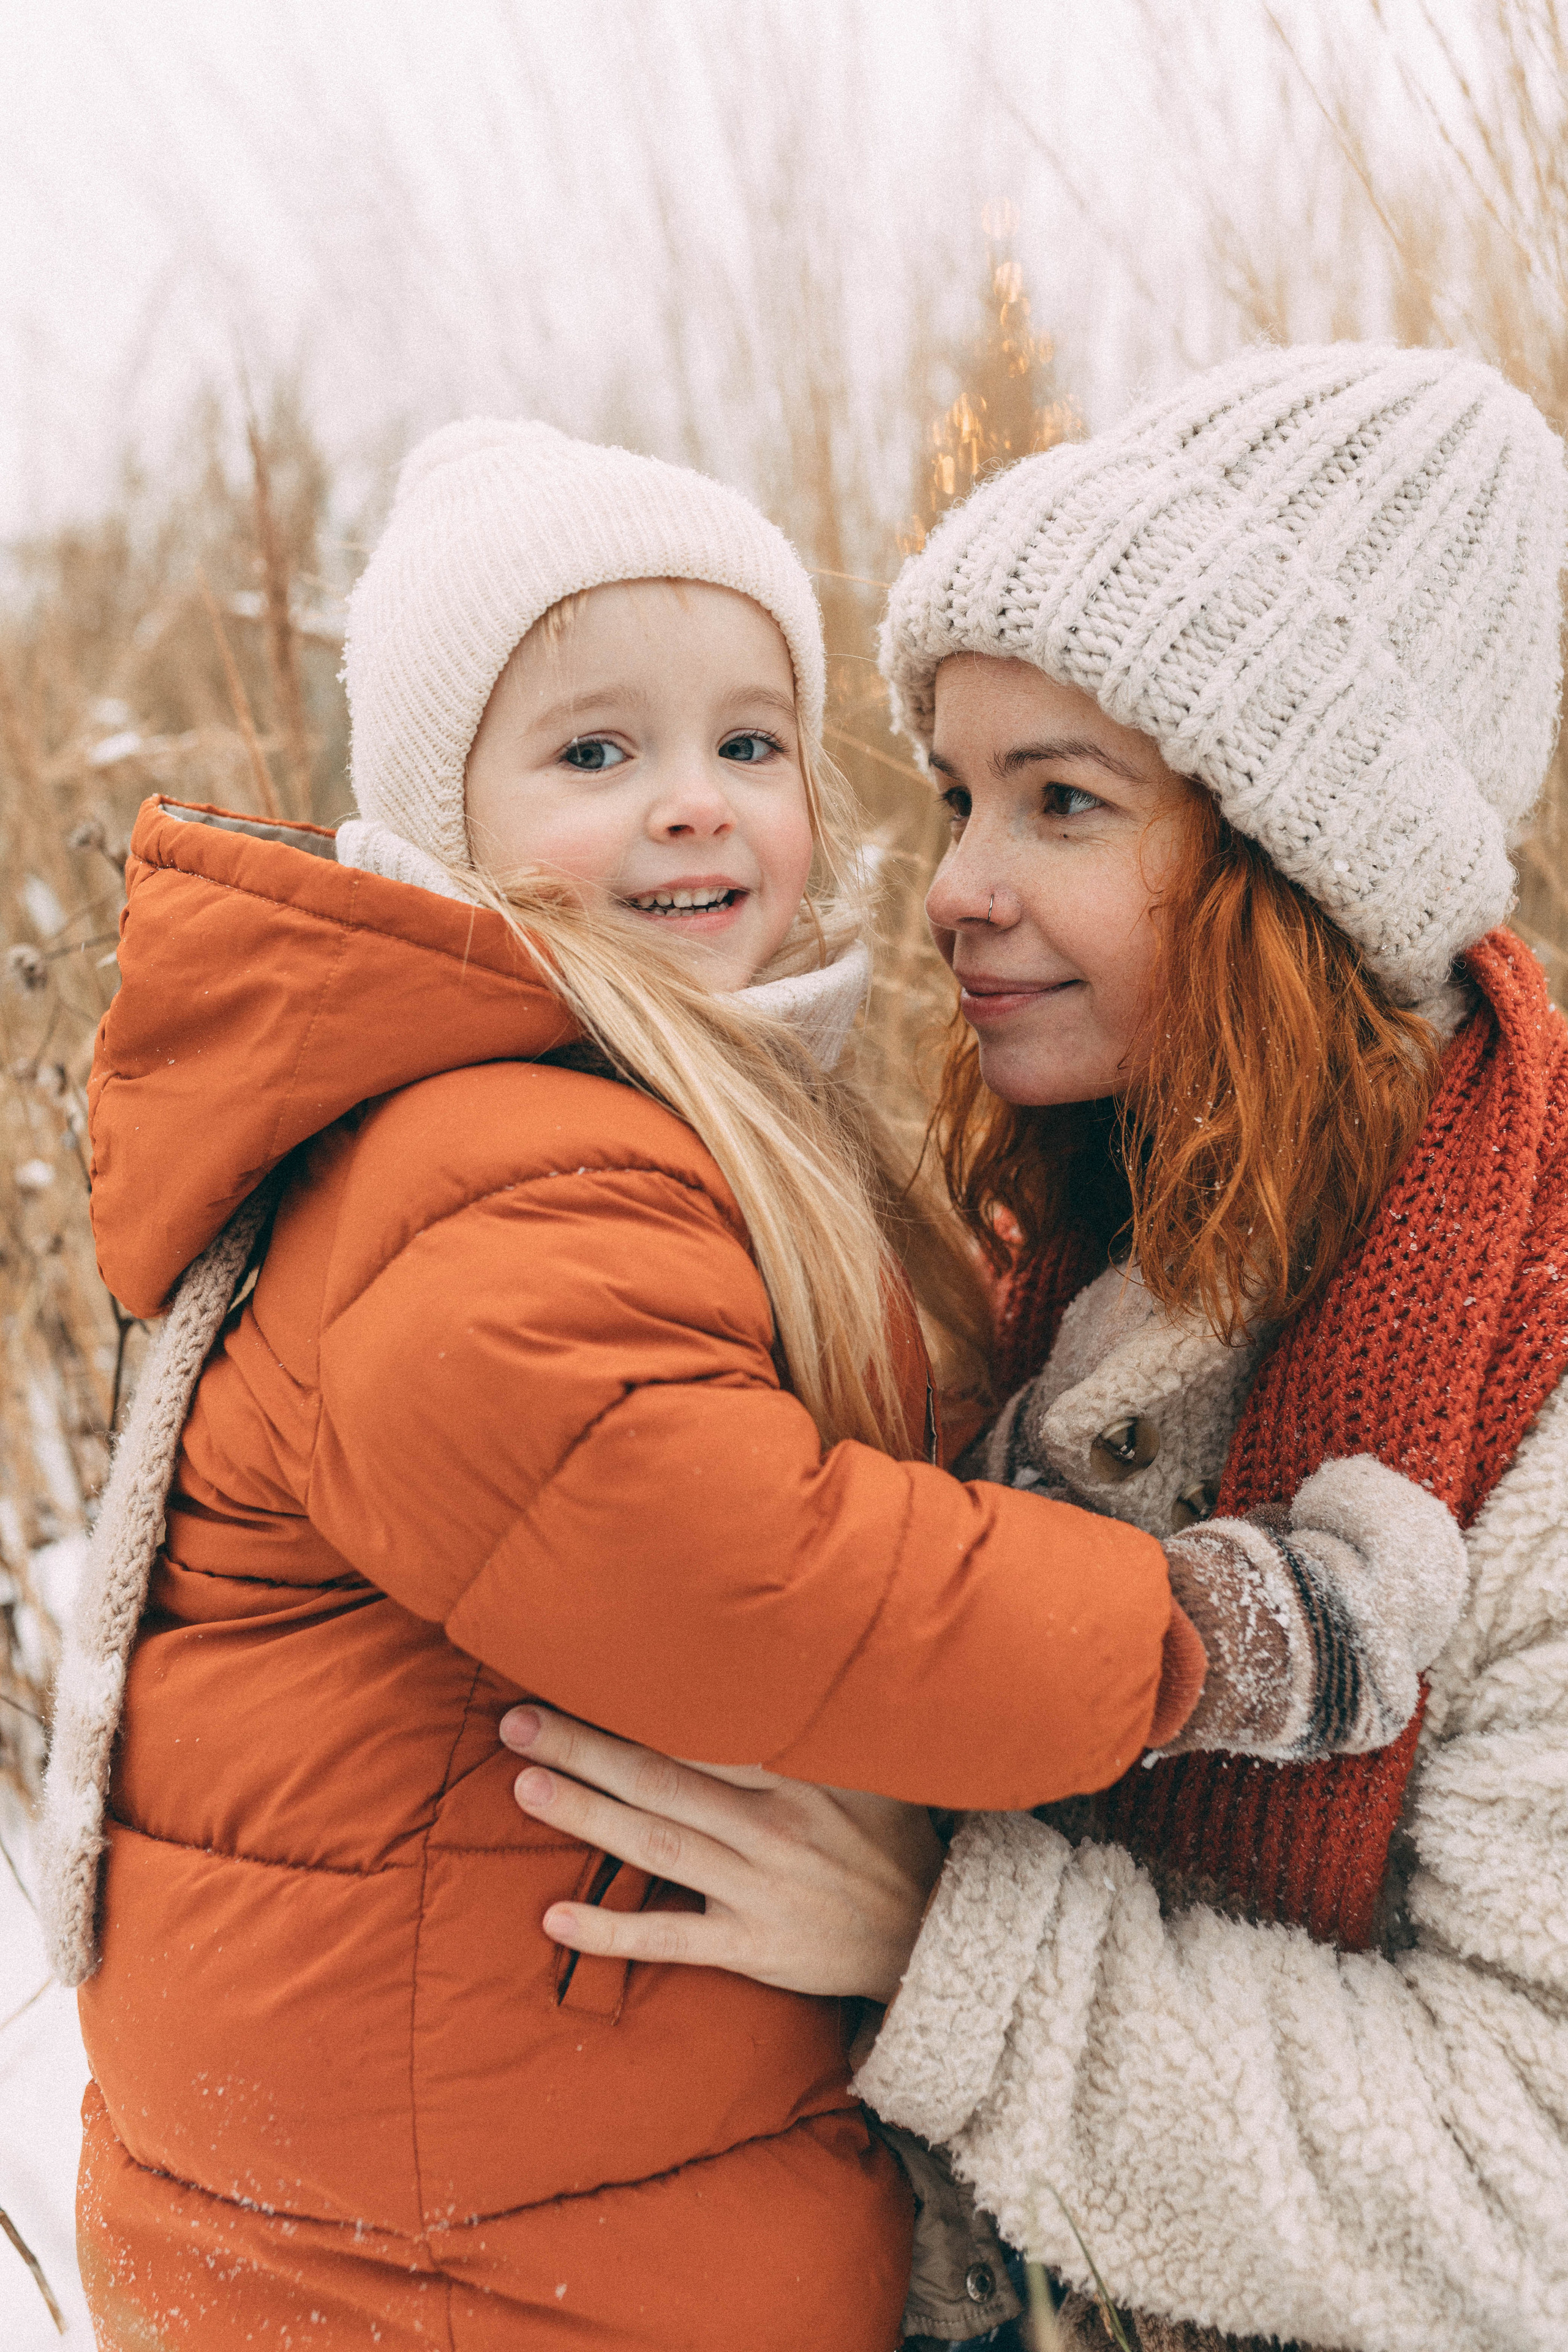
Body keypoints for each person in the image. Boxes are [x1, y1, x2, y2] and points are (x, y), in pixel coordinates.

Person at [40, 418, 1423, 2351]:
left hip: (558, 2172)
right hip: (464, 2265)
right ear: (446, 821)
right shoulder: (477, 1169)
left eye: (747, 743)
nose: (693, 804)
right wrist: (1200, 1637)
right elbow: (749, 1576)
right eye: (598, 753)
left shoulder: (631, 1122)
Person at [500, 345, 1568, 2352]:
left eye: (1064, 801)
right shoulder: (1047, 1249)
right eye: (960, 790)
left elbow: (1527, 2191)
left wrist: (938, 1942)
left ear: (1296, 866)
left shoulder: (1533, 1387)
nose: (961, 888)